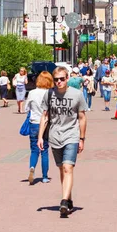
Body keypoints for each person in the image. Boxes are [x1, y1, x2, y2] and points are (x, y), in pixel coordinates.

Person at [38, 67, 87, 217]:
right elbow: (45, 116)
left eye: (62, 79)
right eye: (56, 79)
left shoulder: (77, 94)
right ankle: (69, 199)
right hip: (55, 136)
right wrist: (40, 137)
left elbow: (82, 118)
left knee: (68, 168)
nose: (59, 82)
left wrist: (82, 138)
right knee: (61, 169)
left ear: (67, 78)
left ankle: (64, 201)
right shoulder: (49, 94)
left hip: (71, 135)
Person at [25, 71, 53, 184]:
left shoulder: (32, 92)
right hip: (46, 123)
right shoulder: (50, 93)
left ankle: (32, 167)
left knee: (34, 149)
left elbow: (27, 108)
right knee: (44, 150)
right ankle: (45, 176)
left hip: (34, 122)